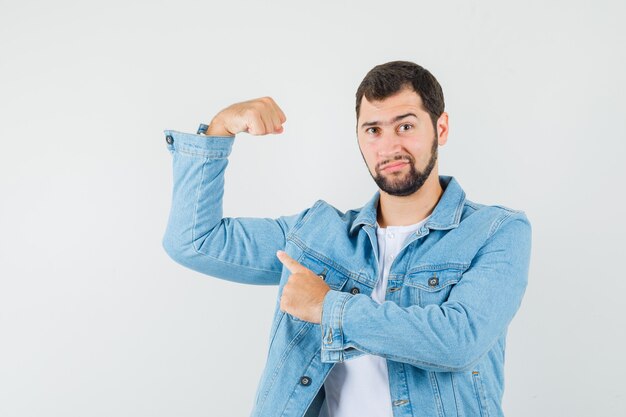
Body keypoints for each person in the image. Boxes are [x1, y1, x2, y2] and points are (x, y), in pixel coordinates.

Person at [161, 60, 532, 417]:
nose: (388, 148)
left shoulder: (496, 231)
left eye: (405, 126)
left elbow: (458, 340)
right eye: (373, 130)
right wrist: (219, 129)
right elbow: (193, 242)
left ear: (441, 128)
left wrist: (328, 307)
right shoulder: (316, 234)